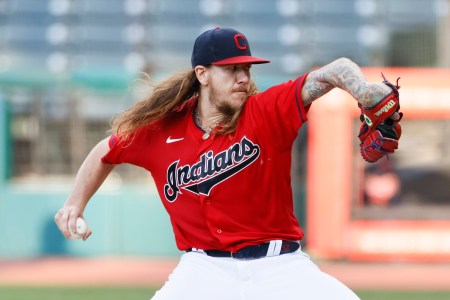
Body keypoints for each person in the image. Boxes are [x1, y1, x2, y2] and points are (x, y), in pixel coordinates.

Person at [55, 27, 401, 299]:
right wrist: (75, 203)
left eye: (246, 69)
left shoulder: (266, 111)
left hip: (280, 268)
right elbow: (106, 151)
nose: (244, 79)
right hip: (203, 271)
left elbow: (336, 70)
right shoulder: (161, 131)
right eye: (232, 70)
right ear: (202, 74)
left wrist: (364, 92)